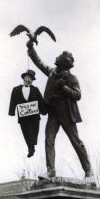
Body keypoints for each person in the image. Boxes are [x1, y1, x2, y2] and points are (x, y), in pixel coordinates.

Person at [27, 41, 93, 180]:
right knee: (49, 140)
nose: (56, 58)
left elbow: (78, 95)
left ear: (64, 62)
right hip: (53, 112)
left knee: (75, 141)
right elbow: (39, 62)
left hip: (66, 113)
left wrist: (64, 87)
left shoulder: (71, 78)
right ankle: (50, 171)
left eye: (59, 57)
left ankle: (88, 171)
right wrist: (31, 48)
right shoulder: (52, 72)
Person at [9, 69, 47, 157]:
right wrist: (12, 111)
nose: (28, 79)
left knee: (34, 133)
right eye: (27, 77)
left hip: (35, 117)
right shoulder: (16, 90)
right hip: (23, 117)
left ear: (32, 80)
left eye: (31, 78)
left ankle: (32, 146)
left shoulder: (35, 90)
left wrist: (44, 110)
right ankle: (31, 148)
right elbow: (12, 101)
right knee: (26, 132)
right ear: (24, 78)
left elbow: (40, 101)